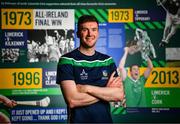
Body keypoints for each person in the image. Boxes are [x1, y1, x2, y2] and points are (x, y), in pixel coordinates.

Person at [56, 15, 124, 123]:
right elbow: (72, 100)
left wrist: (87, 88)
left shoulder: (108, 61)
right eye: (85, 30)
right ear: (78, 33)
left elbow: (119, 95)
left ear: (98, 33)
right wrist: (106, 90)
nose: (90, 34)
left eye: (94, 30)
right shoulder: (67, 60)